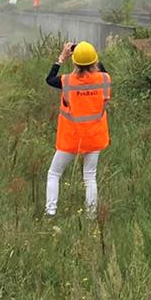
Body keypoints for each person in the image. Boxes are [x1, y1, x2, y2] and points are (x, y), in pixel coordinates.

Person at [45, 41, 110, 217]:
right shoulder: (104, 79)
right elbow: (99, 68)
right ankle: (91, 215)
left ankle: (50, 212)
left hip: (71, 138)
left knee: (54, 173)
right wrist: (86, 51)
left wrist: (61, 58)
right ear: (94, 62)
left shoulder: (66, 82)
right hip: (94, 137)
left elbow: (49, 79)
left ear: (74, 63)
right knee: (90, 177)